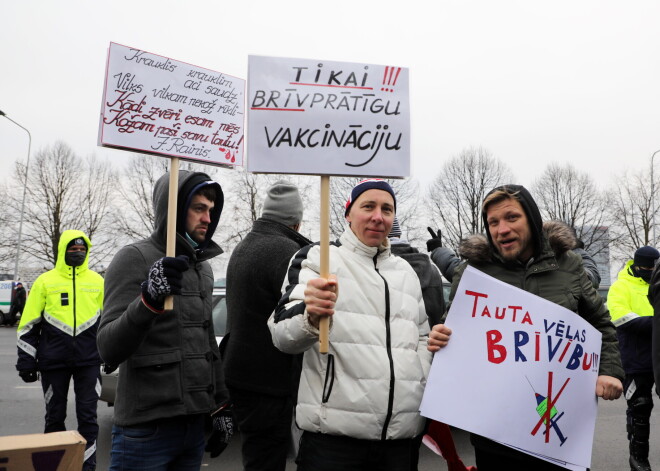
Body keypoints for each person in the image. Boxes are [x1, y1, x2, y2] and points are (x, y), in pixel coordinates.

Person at [427, 184, 624, 471]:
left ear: (531, 220)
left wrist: (609, 370)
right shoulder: (473, 272)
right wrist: (439, 337)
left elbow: (601, 323)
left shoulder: (569, 266)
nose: (501, 229)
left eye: (511, 218)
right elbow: (451, 330)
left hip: (560, 432)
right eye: (493, 222)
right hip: (494, 433)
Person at [268, 178, 440, 471]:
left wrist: (421, 374)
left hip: (400, 442)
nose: (378, 216)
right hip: (334, 444)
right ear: (348, 213)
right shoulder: (319, 258)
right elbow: (282, 334)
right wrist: (310, 316)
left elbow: (422, 337)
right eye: (368, 206)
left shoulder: (407, 272)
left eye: (387, 209)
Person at [97, 170, 232, 471]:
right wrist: (149, 300)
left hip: (193, 428)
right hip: (145, 431)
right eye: (198, 208)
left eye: (211, 210)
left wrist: (222, 405)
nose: (208, 218)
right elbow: (108, 347)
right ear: (173, 209)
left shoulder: (203, 269)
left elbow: (208, 342)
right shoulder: (133, 258)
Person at [222, 181, 311, 471]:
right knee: (269, 458)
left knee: (257, 456)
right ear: (296, 220)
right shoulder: (287, 253)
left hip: (241, 374)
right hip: (271, 380)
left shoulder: (243, 246)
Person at [16, 230, 104, 471]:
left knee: (88, 418)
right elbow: (28, 325)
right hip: (52, 363)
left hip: (89, 361)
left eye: (82, 250)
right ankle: (53, 466)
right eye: (73, 250)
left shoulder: (98, 281)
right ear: (63, 251)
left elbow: (108, 322)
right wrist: (26, 360)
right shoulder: (45, 281)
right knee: (54, 417)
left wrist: (111, 354)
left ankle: (87, 466)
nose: (78, 253)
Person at [608, 245, 659, 471]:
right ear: (636, 264)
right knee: (640, 407)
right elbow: (622, 318)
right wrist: (657, 324)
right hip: (636, 358)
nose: (649, 270)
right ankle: (638, 459)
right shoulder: (620, 286)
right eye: (646, 267)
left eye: (654, 267)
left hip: (658, 356)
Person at [426, 224, 602, 288]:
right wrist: (577, 250)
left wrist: (572, 252)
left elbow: (588, 278)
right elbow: (458, 271)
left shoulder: (567, 267)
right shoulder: (485, 267)